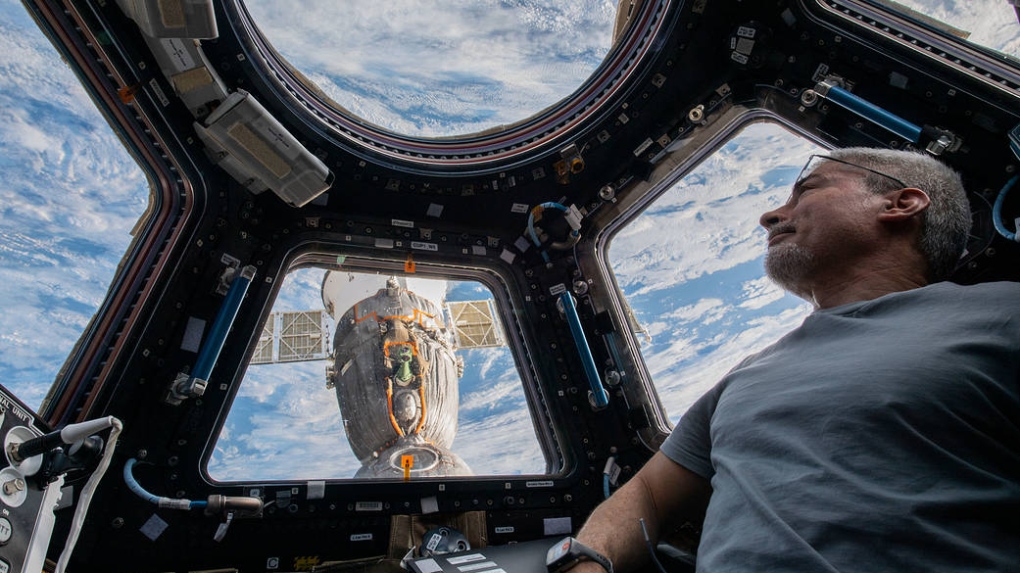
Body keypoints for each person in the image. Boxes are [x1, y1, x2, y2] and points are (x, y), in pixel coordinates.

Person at [573, 147, 1020, 572]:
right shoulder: (746, 376)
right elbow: (649, 496)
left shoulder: (1003, 313)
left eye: (806, 190)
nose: (768, 216)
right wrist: (585, 560)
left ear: (901, 203)